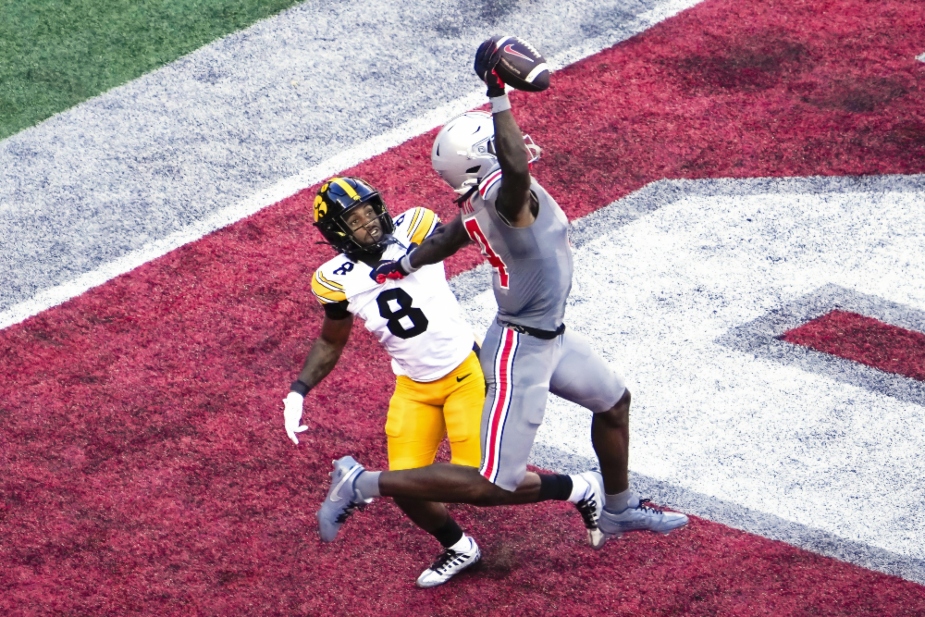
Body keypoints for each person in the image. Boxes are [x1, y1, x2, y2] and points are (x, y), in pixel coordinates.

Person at [317, 36, 688, 553]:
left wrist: (404, 262)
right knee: (494, 483)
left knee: (613, 402)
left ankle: (620, 507)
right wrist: (497, 95)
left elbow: (447, 235)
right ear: (479, 163)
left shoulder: (479, 205)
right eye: (495, 142)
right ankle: (361, 482)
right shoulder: (501, 195)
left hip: (549, 335)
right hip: (522, 348)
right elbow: (513, 168)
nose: (514, 144)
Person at [286, 176, 602, 587]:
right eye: (356, 219)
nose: (371, 223)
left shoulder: (414, 225)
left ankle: (580, 487)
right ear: (336, 233)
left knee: (487, 484)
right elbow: (331, 340)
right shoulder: (332, 279)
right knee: (403, 484)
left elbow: (453, 238)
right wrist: (299, 390)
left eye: (370, 209)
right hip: (413, 387)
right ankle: (458, 546)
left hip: (465, 372)